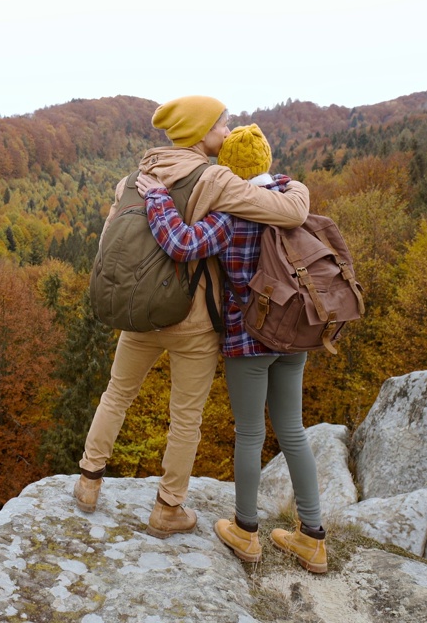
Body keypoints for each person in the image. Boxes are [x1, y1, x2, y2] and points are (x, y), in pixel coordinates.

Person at [72, 96, 311, 541]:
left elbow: (111, 242)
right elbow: (290, 213)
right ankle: (167, 509)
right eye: (222, 124)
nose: (226, 131)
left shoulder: (136, 177)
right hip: (193, 318)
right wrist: (294, 186)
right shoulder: (215, 177)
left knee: (117, 393)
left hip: (140, 312)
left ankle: (88, 482)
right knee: (185, 417)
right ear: (202, 132)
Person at [142, 123, 327, 573]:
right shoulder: (289, 197)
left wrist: (158, 199)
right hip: (294, 331)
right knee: (293, 430)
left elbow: (184, 245)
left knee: (250, 434)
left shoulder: (231, 214)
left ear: (227, 168)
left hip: (249, 337)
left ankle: (246, 531)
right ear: (265, 159)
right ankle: (313, 538)